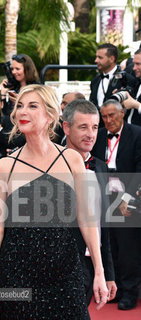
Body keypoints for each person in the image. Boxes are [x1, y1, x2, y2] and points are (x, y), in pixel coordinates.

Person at [0, 84, 108, 319]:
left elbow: (86, 218)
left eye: (32, 106)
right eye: (19, 106)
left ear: (51, 115)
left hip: (66, 272)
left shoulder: (72, 160)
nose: (22, 112)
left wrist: (99, 271)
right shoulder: (4, 167)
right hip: (18, 274)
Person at [62, 99, 117, 305]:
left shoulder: (101, 167)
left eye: (95, 127)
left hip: (91, 264)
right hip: (59, 264)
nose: (91, 134)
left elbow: (103, 226)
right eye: (83, 127)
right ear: (66, 127)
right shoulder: (50, 164)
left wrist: (107, 273)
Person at [92, 99, 141, 310]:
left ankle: (130, 292)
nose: (108, 120)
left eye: (112, 115)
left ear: (122, 113)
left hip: (129, 194)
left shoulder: (137, 134)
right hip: (103, 194)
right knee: (108, 243)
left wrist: (127, 199)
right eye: (104, 117)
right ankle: (114, 288)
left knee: (128, 247)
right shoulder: (100, 135)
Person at [89, 43, 136, 126]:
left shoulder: (127, 79)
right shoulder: (95, 81)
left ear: (111, 59)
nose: (96, 60)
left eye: (100, 57)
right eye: (96, 57)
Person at [122, 48, 141, 126]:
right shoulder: (137, 82)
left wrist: (135, 104)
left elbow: (133, 104)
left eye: (138, 64)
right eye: (134, 64)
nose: (134, 68)